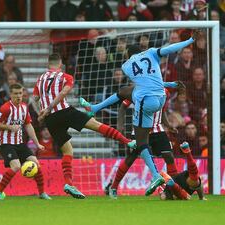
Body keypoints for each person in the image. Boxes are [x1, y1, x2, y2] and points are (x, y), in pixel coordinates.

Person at [79, 31, 199, 196]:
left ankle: (156, 176)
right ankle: (95, 108)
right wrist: (190, 40)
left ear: (128, 55)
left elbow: (141, 80)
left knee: (141, 142)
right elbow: (170, 49)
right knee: (123, 92)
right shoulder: (151, 52)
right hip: (160, 98)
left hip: (147, 103)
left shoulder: (126, 66)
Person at [35, 54, 136, 199]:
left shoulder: (40, 79)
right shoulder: (66, 76)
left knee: (67, 151)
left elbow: (37, 98)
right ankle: (128, 142)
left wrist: (44, 111)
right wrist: (50, 106)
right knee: (95, 124)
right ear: (60, 64)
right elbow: (64, 92)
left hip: (50, 119)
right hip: (63, 111)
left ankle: (69, 183)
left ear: (48, 64)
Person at [97, 88, 179, 199]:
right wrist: (120, 125)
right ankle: (113, 187)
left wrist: (168, 126)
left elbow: (162, 110)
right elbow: (123, 106)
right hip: (139, 130)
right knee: (131, 158)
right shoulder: (139, 90)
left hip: (157, 129)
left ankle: (173, 190)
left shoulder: (165, 91)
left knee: (169, 156)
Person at [0, 83, 51, 200]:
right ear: (11, 94)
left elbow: (28, 126)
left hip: (19, 143)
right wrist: (10, 127)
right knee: (16, 166)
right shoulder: (5, 108)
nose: (18, 96)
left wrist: (37, 143)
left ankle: (42, 193)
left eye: (20, 93)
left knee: (35, 163)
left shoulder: (24, 107)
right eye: (16, 94)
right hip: (6, 143)